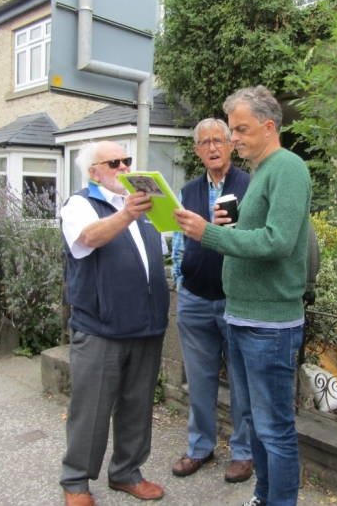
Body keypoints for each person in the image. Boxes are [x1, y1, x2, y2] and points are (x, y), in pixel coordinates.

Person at [174, 85, 312, 506]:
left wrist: (208, 233)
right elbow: (256, 236)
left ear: (269, 127)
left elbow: (278, 242)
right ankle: (264, 495)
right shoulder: (266, 171)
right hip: (244, 317)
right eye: (231, 129)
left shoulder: (287, 167)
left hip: (269, 323)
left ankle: (280, 501)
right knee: (258, 428)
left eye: (240, 129)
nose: (233, 139)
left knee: (274, 429)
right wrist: (228, 228)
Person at [59, 141, 169, 505]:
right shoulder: (80, 204)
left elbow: (166, 250)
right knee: (91, 408)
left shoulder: (143, 204)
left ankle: (126, 472)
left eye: (127, 161)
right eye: (114, 162)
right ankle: (75, 482)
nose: (124, 167)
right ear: (94, 171)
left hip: (146, 324)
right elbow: (88, 238)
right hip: (101, 327)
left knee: (137, 405)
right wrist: (127, 214)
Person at [170, 118, 254, 483]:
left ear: (231, 145)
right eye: (204, 142)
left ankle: (243, 452)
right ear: (197, 151)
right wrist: (180, 277)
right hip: (194, 299)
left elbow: (258, 239)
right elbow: (179, 240)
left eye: (218, 140)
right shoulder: (187, 191)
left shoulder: (249, 186)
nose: (213, 147)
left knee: (241, 381)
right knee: (200, 380)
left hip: (236, 299)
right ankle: (200, 447)